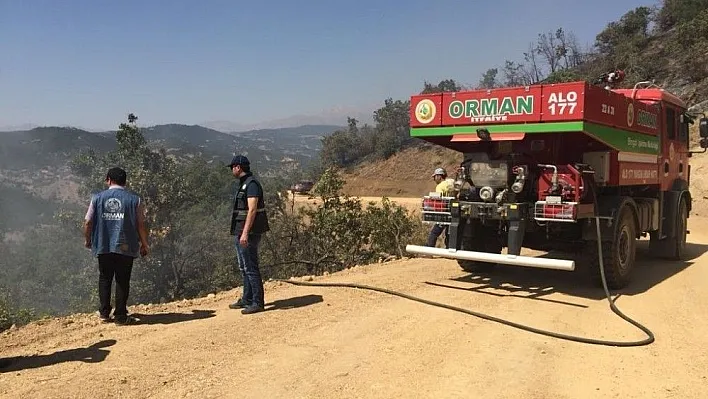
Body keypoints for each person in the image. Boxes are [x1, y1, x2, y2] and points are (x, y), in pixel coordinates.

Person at [83, 167, 149, 325]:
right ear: (125, 181)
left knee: (105, 278)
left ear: (108, 180)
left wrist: (88, 240)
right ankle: (120, 316)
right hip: (125, 246)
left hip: (103, 245)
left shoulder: (97, 198)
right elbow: (141, 225)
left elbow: (88, 222)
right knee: (122, 279)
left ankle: (104, 313)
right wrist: (145, 244)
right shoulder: (135, 200)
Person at [227, 155, 270, 315]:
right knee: (244, 267)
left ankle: (257, 302)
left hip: (249, 233)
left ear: (238, 167)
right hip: (241, 232)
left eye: (233, 167)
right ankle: (247, 298)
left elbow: (252, 210)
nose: (232, 170)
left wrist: (245, 233)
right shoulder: (244, 184)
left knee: (251, 267)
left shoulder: (251, 184)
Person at [426, 167, 455, 248]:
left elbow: (439, 200)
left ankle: (429, 250)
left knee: (434, 233)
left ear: (439, 176)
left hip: (444, 213)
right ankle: (450, 250)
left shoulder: (440, 186)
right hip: (454, 212)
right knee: (449, 233)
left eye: (435, 177)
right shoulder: (452, 183)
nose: (434, 179)